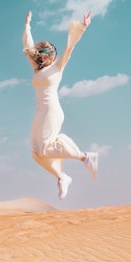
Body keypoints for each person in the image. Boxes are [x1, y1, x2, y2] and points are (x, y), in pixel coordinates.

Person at [22, 11, 99, 199]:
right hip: (40, 111)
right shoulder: (36, 69)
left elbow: (70, 47)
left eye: (51, 52)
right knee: (36, 152)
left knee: (45, 148)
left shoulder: (57, 66)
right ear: (40, 55)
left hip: (52, 110)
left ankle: (85, 157)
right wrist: (27, 25)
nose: (49, 55)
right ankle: (62, 177)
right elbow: (27, 46)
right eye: (45, 52)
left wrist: (82, 27)